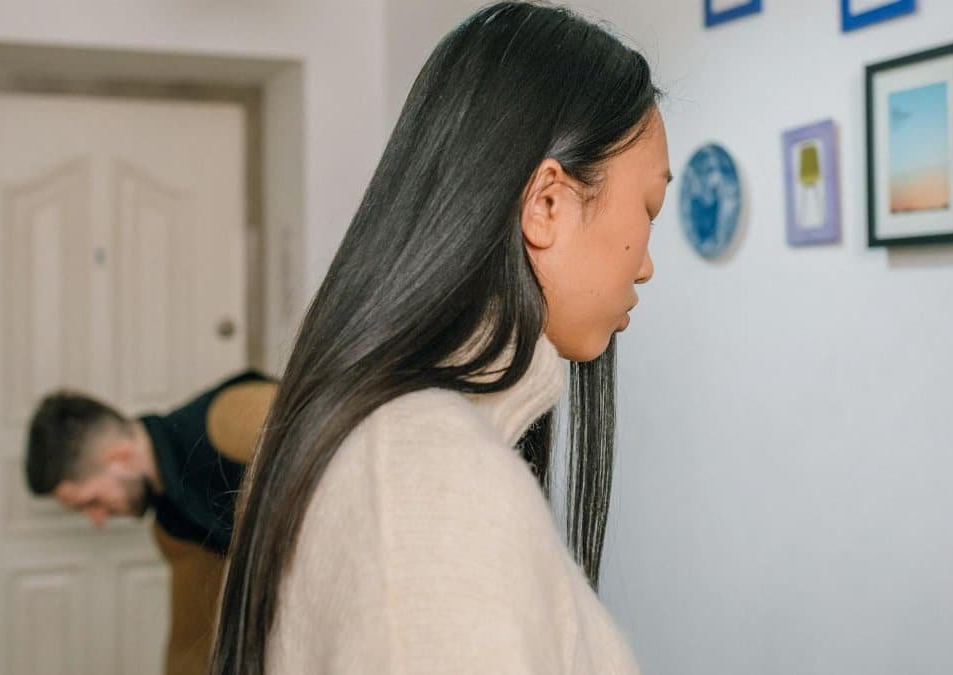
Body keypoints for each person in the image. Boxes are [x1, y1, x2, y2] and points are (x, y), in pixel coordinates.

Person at [211, 3, 671, 673]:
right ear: (548, 204)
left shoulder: (400, 443)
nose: (647, 263)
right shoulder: (427, 477)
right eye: (648, 209)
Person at [25, 370, 277, 675]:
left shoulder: (225, 419)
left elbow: (339, 436)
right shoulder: (174, 528)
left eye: (91, 502)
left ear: (120, 457)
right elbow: (190, 646)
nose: (99, 519)